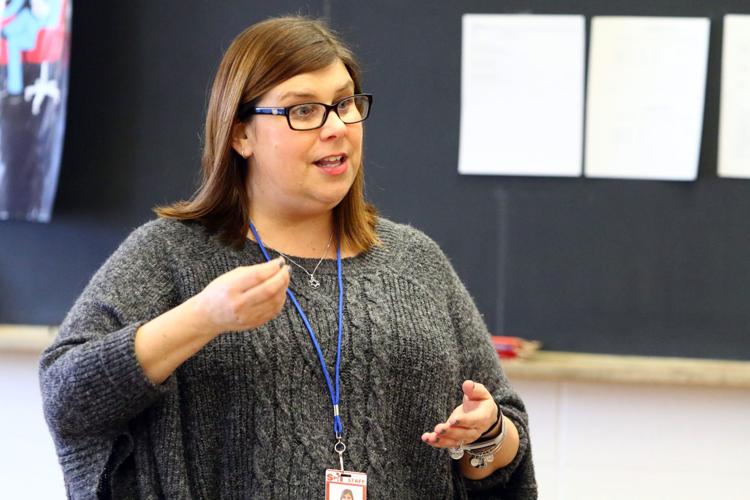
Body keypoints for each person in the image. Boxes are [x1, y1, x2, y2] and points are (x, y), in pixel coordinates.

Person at [39, 16, 537, 499]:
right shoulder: (169, 253)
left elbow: (503, 445)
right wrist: (202, 318)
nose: (337, 126)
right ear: (241, 135)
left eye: (344, 103)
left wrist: (487, 433)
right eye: (303, 110)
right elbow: (67, 397)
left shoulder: (415, 261)